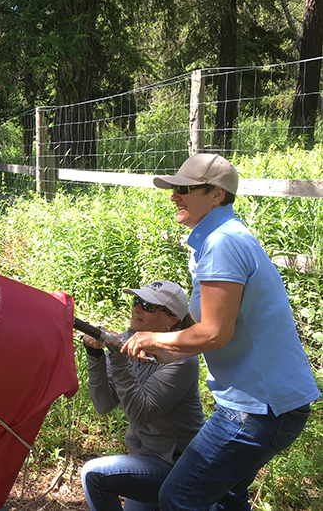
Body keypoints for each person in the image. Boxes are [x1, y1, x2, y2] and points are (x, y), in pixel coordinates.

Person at [122, 153, 320, 510]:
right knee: (227, 499)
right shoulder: (222, 237)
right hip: (266, 404)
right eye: (173, 189)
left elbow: (215, 333)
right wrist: (174, 350)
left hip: (260, 408)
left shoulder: (221, 244)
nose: (173, 196)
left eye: (183, 189)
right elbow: (223, 329)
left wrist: (154, 338)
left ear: (215, 194)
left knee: (179, 497)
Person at [81, 280, 205, 511]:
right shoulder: (129, 338)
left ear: (172, 320)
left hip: (179, 466)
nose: (137, 308)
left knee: (93, 474)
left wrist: (118, 357)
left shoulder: (183, 359)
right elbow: (103, 404)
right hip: (145, 457)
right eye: (137, 301)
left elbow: (140, 414)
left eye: (148, 305)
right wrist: (95, 354)